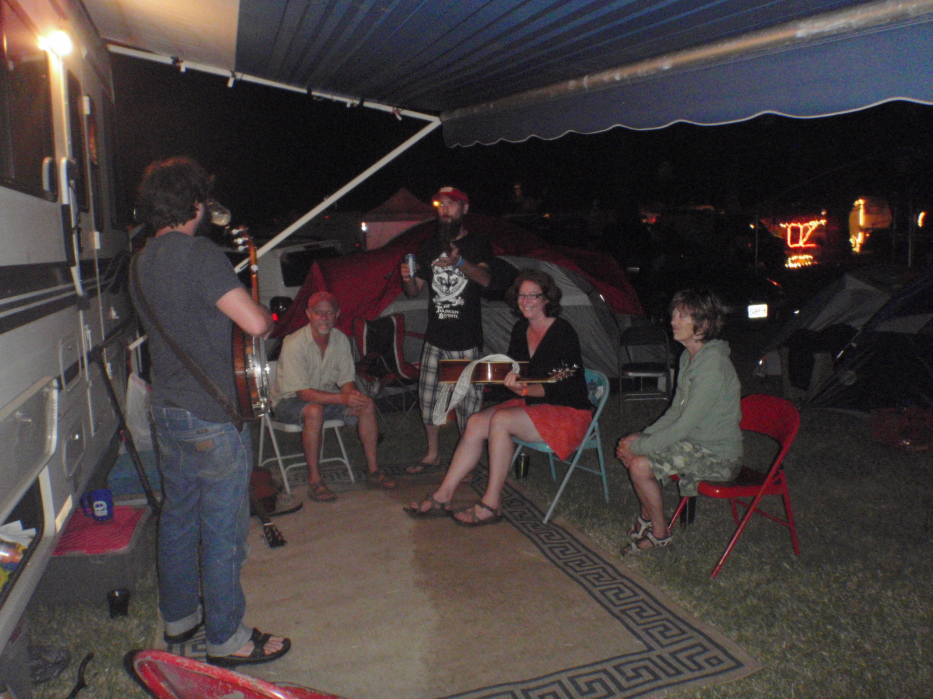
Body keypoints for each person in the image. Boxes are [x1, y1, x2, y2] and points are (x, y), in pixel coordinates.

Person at [131, 157, 290, 667]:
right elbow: (256, 324)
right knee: (223, 530)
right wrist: (264, 314)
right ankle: (226, 638)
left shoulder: (140, 261)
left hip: (168, 411)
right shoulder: (199, 254)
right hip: (212, 416)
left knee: (179, 518)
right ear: (195, 203)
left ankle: (180, 618)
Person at [406, 269, 592, 526]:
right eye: (521, 295)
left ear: (547, 299)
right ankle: (443, 495)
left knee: (501, 420)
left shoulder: (562, 331)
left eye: (533, 295)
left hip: (567, 411)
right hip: (533, 403)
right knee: (475, 422)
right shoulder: (520, 328)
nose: (525, 301)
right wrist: (480, 374)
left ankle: (492, 503)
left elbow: (562, 384)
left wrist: (522, 389)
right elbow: (517, 373)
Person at [616, 288, 743, 553]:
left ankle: (660, 533)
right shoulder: (689, 357)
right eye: (674, 314)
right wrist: (642, 437)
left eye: (682, 316)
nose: (673, 321)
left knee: (639, 463)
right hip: (693, 443)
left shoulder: (713, 366)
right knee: (636, 452)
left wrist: (639, 447)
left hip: (718, 455)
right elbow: (676, 411)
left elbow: (685, 424)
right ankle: (647, 519)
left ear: (703, 325)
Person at [399, 186, 494, 474]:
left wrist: (459, 263)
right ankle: (433, 454)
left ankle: (470, 462)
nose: (445, 210)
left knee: (468, 406)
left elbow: (485, 279)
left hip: (466, 339)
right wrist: (407, 278)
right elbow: (414, 292)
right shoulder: (428, 247)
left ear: (464, 209)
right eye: (441, 204)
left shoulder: (478, 244)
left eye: (452, 204)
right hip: (436, 338)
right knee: (429, 401)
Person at [271, 291, 396, 501]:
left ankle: (374, 470)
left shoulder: (340, 339)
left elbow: (346, 380)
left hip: (325, 398)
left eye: (329, 313)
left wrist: (352, 396)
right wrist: (343, 399)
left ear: (337, 314)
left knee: (366, 404)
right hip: (288, 401)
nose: (324, 318)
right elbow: (303, 393)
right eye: (318, 312)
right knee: (314, 410)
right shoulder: (294, 342)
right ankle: (315, 481)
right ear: (309, 314)